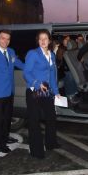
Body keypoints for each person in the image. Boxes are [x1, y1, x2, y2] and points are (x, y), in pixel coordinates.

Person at [23, 29, 60, 159]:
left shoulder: (52, 55)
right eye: (41, 39)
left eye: (45, 38)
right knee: (34, 121)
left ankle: (51, 143)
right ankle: (36, 150)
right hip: (35, 91)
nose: (43, 41)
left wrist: (56, 92)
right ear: (38, 41)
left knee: (51, 118)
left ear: (49, 40)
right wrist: (38, 83)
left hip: (47, 92)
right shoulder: (33, 54)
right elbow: (26, 73)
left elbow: (53, 75)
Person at [56, 35, 79, 105]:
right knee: (70, 74)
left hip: (67, 70)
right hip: (61, 71)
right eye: (66, 39)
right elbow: (59, 63)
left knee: (72, 73)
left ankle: (75, 92)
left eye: (69, 40)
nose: (68, 41)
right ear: (62, 41)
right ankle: (70, 95)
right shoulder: (61, 49)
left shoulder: (70, 50)